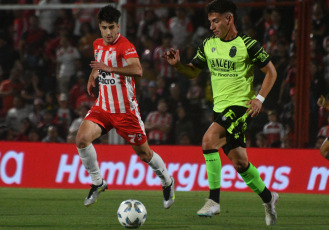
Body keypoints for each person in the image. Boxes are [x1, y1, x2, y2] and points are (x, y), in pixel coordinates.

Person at [162, 0, 278, 225]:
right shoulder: (208, 44)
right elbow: (193, 72)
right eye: (210, 22)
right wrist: (178, 66)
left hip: (240, 107)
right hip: (219, 109)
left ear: (229, 19)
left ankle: (213, 201)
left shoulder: (248, 44)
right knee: (240, 163)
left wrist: (259, 98)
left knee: (208, 140)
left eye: (216, 21)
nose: (212, 26)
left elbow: (271, 72)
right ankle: (269, 197)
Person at [75, 5, 175, 209]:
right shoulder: (97, 44)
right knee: (82, 139)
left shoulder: (125, 45)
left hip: (125, 112)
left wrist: (109, 68)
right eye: (104, 28)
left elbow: (138, 69)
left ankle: (167, 181)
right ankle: (98, 182)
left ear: (118, 26)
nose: (109, 32)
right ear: (100, 28)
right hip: (102, 107)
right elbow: (98, 65)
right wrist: (92, 77)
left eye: (112, 27)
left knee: (144, 154)